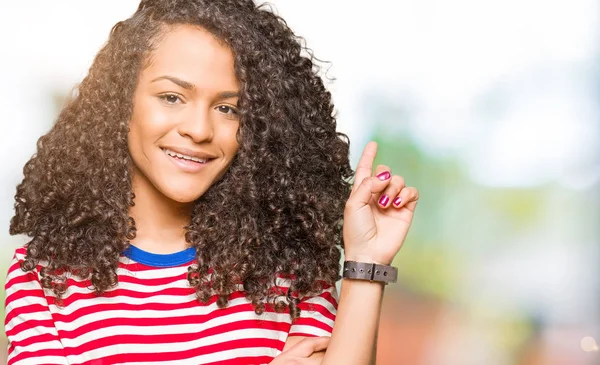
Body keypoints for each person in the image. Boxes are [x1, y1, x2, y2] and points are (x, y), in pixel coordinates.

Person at [4, 1, 419, 364]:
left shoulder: (287, 271)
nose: (200, 130)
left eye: (227, 108)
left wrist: (369, 261)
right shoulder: (42, 281)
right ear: (119, 101)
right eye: (172, 97)